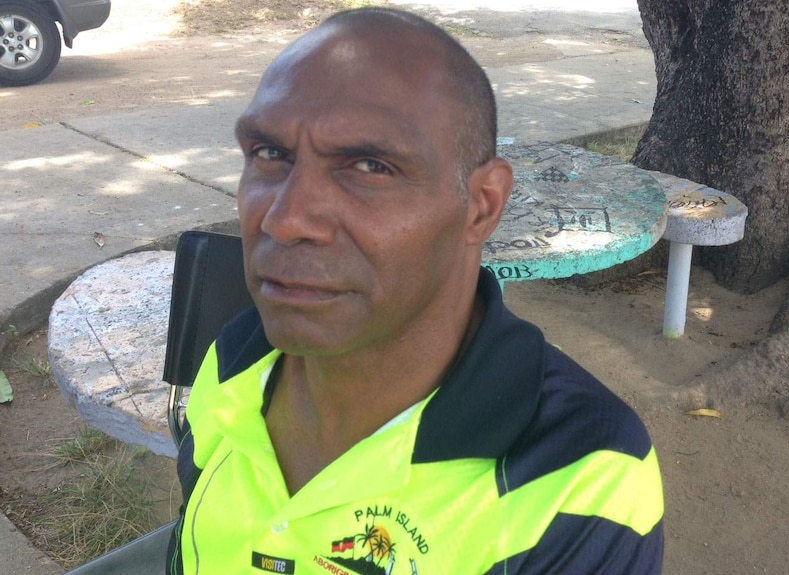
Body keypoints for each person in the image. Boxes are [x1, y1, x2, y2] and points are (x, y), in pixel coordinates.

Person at [166, 7, 664, 575]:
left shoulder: (576, 473)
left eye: (370, 166)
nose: (286, 219)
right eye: (270, 154)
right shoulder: (236, 361)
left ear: (481, 206)